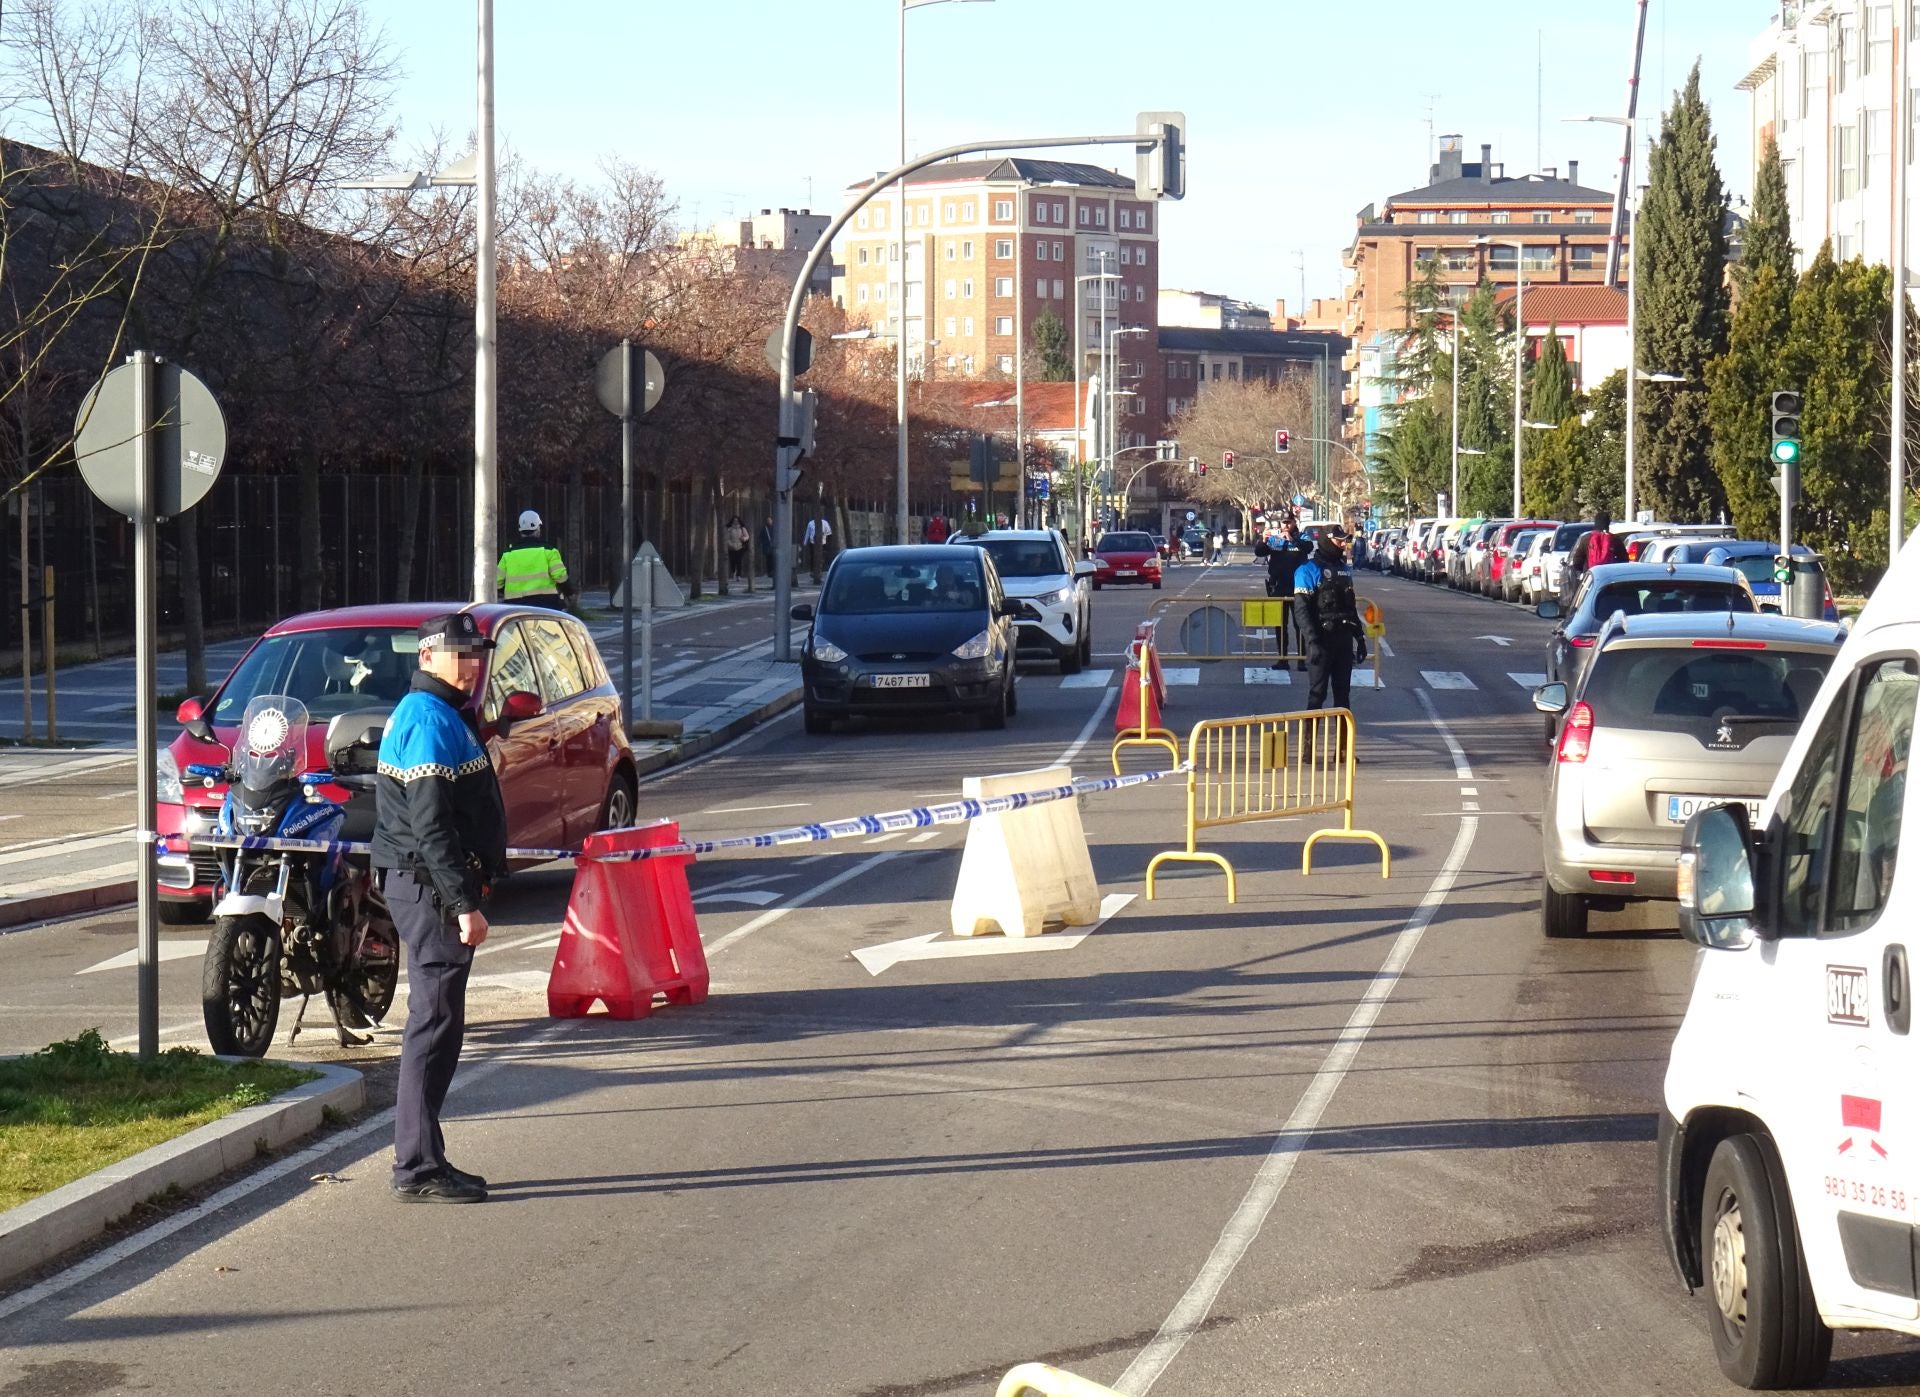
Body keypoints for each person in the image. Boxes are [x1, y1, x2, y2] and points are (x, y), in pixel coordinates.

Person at [373, 611, 508, 1205]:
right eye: (461, 655)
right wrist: (462, 904)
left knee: (439, 1024)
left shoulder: (441, 713)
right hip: (430, 889)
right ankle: (418, 1167)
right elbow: (430, 828)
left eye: (476, 655)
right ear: (427, 657)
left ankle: (424, 1158)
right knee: (432, 1026)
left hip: (427, 884)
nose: (472, 664)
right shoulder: (428, 719)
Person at [1295, 527, 1368, 716]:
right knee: (1317, 696)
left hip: (1343, 639)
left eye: (1345, 541)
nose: (1343, 545)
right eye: (1339, 541)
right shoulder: (1308, 570)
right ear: (1327, 541)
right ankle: (1308, 746)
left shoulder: (1344, 570)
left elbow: (1350, 608)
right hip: (1321, 639)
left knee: (1343, 698)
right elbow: (1301, 611)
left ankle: (1343, 746)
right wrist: (1312, 641)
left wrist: (1360, 638)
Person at [497, 509, 574, 610]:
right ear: (537, 528)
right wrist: (569, 593)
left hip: (515, 606)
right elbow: (560, 576)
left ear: (520, 529)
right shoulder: (548, 550)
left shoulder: (508, 554)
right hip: (546, 604)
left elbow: (498, 582)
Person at [724, 515, 750, 581]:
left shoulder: (742, 528)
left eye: (737, 520)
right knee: (732, 561)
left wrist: (743, 539)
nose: (736, 522)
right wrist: (729, 544)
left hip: (740, 546)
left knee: (739, 561)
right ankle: (733, 571)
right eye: (734, 520)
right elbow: (726, 538)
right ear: (732, 521)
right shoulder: (729, 529)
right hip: (731, 547)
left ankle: (739, 575)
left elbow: (747, 536)